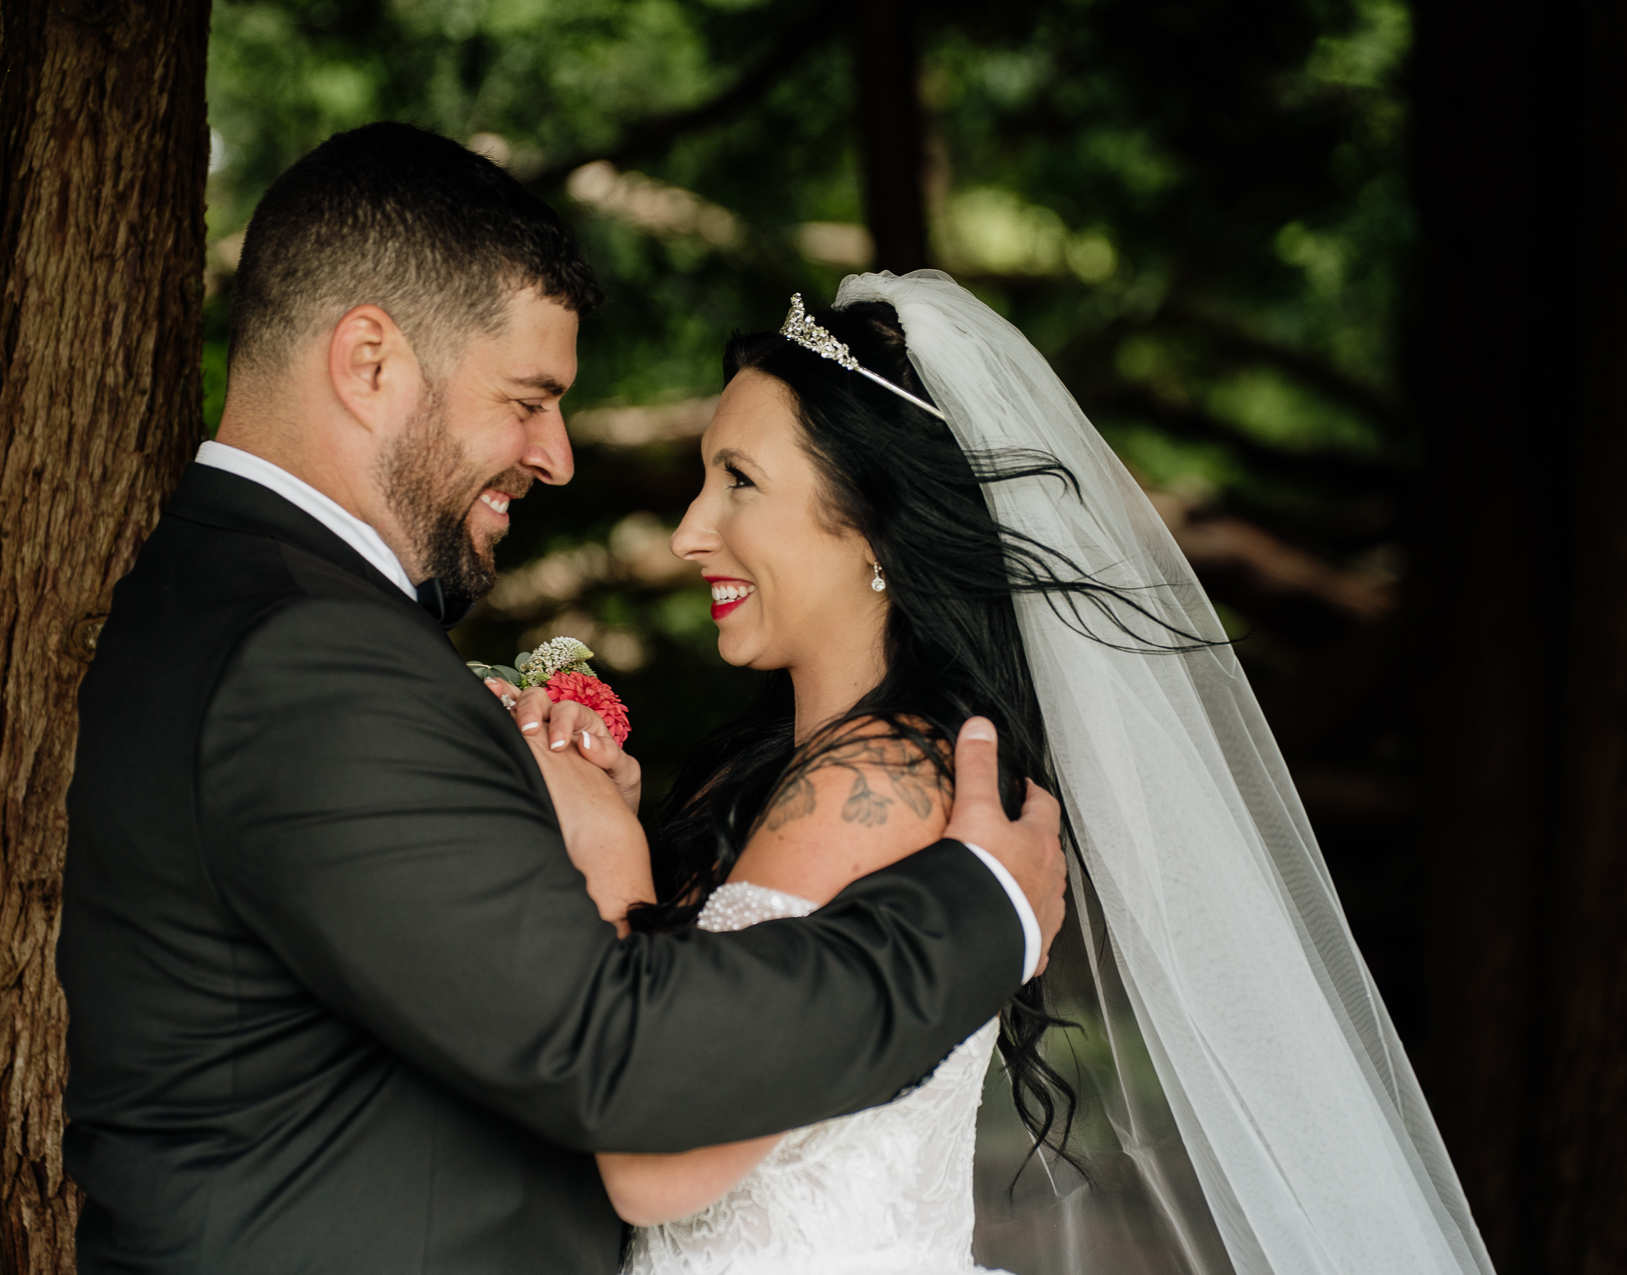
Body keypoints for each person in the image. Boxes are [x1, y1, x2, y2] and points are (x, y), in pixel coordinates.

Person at [56, 125, 1067, 1274]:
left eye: (739, 479)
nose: (559, 456)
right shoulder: (312, 653)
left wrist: (571, 835)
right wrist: (982, 909)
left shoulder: (229, 592)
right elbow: (621, 1066)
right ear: (370, 361)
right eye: (528, 398)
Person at [502, 275, 1497, 1275]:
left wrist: (601, 844)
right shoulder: (777, 770)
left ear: (873, 525)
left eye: (740, 481)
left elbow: (652, 1152)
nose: (689, 530)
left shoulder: (874, 783)